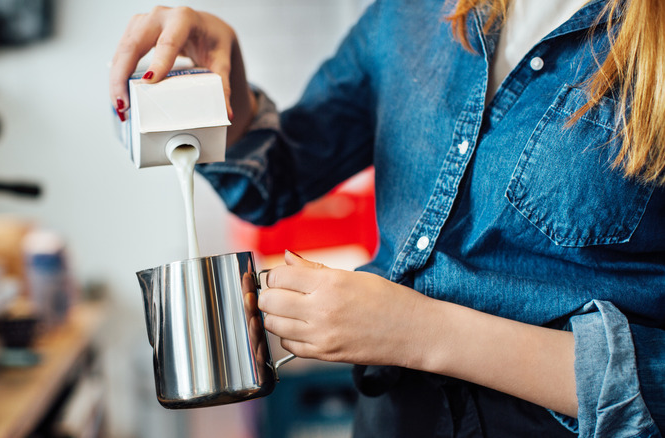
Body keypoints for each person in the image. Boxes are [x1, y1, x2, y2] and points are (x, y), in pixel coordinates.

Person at [109, 0, 665, 436]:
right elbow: (278, 176)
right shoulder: (411, 11)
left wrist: (418, 332)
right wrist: (224, 96)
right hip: (393, 421)